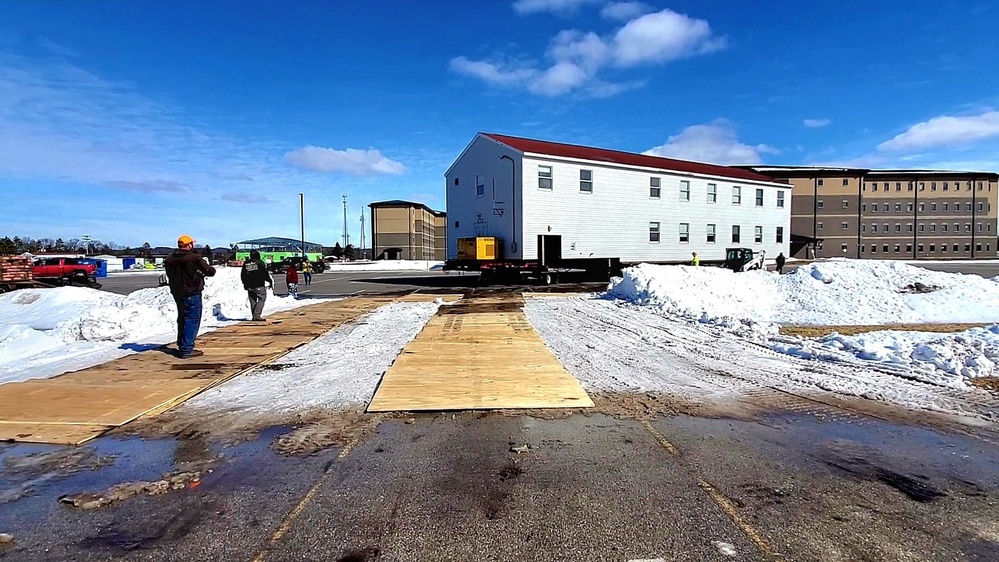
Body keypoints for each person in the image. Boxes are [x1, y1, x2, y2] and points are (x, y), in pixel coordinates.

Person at [164, 234, 216, 358]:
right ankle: (187, 349)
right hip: (192, 292)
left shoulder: (169, 259)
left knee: (182, 318)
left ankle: (182, 344)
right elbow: (211, 271)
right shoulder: (193, 258)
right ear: (189, 245)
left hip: (177, 292)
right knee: (192, 319)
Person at [241, 250, 272, 321]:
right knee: (262, 298)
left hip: (249, 285)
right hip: (259, 284)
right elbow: (265, 273)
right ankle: (257, 315)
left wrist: (245, 284)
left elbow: (243, 275)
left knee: (252, 300)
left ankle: (254, 316)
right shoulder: (260, 263)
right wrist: (269, 281)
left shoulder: (246, 263)